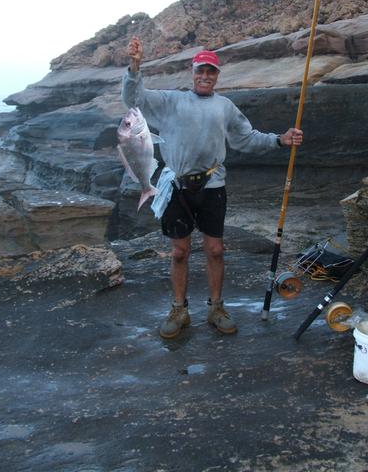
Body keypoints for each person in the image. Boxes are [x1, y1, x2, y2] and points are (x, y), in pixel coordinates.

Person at [121, 36, 303, 339]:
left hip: (213, 185)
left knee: (215, 249)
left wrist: (278, 140)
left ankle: (216, 307)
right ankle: (179, 309)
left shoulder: (226, 107)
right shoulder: (169, 101)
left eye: (211, 72)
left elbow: (246, 138)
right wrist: (135, 65)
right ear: (192, 73)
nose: (205, 76)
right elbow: (133, 99)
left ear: (217, 76)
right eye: (200, 71)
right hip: (177, 186)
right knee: (179, 252)